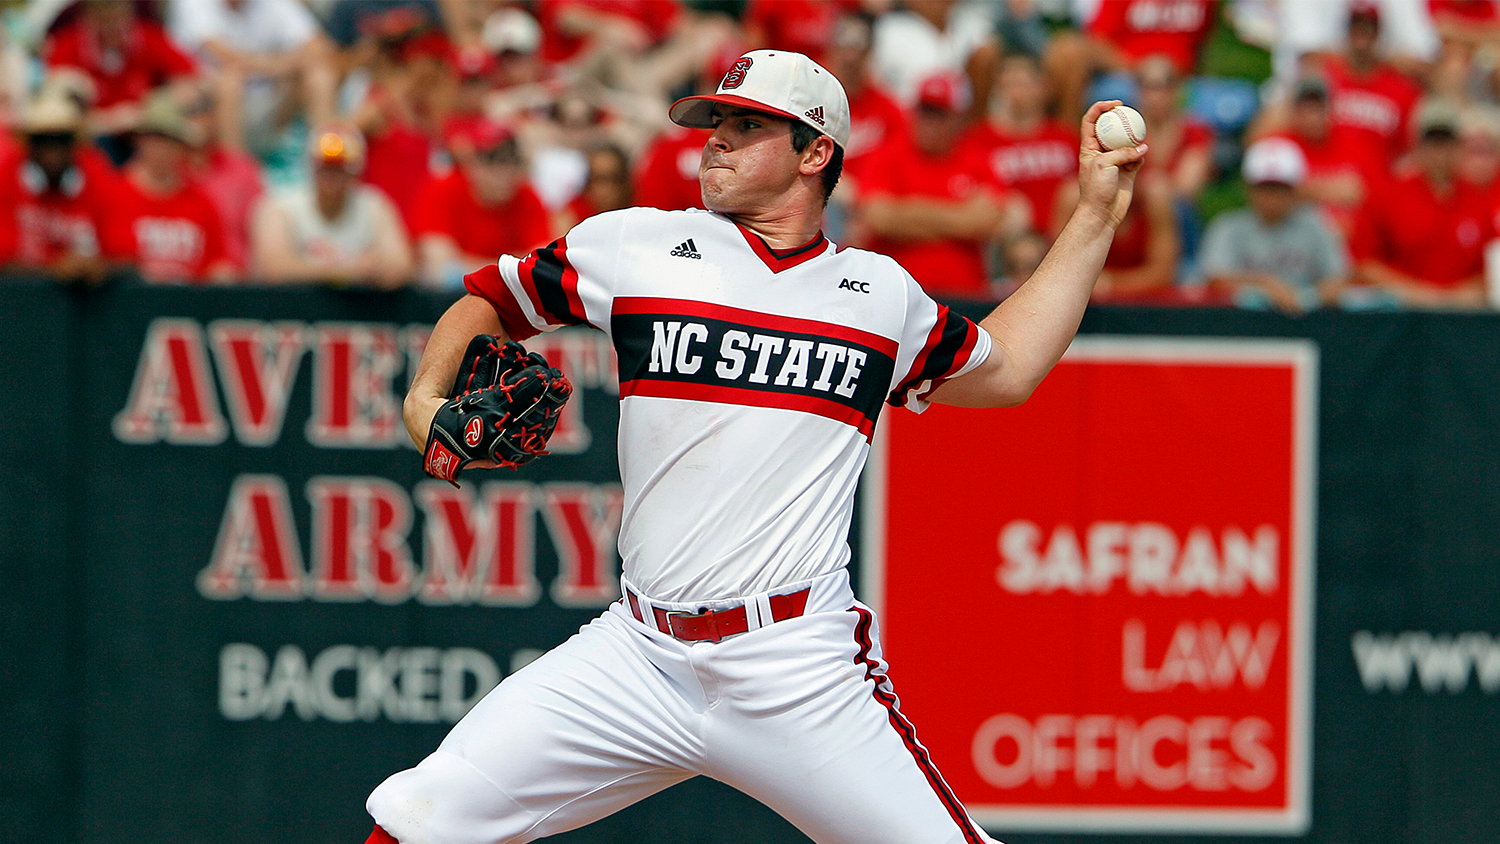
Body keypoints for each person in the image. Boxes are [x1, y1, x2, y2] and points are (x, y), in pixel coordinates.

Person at [364, 49, 1146, 844]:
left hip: (794, 664)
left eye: (747, 125)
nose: (717, 141)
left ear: (816, 154)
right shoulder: (636, 247)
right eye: (715, 123)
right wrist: (423, 400)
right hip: (637, 654)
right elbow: (490, 299)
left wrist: (1093, 218)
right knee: (422, 815)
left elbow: (1007, 369)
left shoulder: (878, 295)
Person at [856, 71, 1026, 299]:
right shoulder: (887, 155)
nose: (929, 121)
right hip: (894, 295)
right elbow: (879, 219)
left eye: (939, 113)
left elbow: (984, 222)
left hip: (964, 298)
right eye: (925, 110)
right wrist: (959, 217)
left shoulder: (979, 160)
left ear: (959, 118)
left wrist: (907, 211)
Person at [1350, 100, 1493, 308]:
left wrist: (1465, 292)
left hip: (1462, 314)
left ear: (1458, 146)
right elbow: (1363, 262)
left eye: (1446, 142)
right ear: (1417, 145)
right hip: (1403, 316)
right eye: (1433, 142)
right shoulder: (1388, 195)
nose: (1439, 152)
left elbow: (1491, 263)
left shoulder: (1479, 199)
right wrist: (1415, 293)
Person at [1197, 137, 1350, 314]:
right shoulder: (1228, 227)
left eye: (1279, 187)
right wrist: (1265, 286)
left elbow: (1337, 279)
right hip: (1241, 330)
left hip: (1303, 326)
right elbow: (1215, 279)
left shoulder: (1315, 225)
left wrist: (1306, 298)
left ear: (1294, 190)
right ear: (1248, 189)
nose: (1271, 197)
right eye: (1264, 187)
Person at [249, 126, 413, 288]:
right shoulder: (281, 206)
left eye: (340, 168)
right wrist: (350, 270)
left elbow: (399, 267)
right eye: (325, 167)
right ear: (311, 167)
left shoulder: (374, 206)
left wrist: (308, 269)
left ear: (356, 171)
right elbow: (274, 268)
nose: (331, 177)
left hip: (355, 311)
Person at [0, 91, 129, 283]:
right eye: (43, 140)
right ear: (29, 146)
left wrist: (96, 267)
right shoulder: (7, 176)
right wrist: (53, 267)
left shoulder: (98, 174)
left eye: (62, 140)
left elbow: (123, 252)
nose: (53, 150)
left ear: (75, 144)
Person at [412, 119, 552, 289]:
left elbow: (543, 267)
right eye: (491, 160)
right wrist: (514, 267)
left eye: (512, 161)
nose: (503, 172)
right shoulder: (443, 188)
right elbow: (439, 270)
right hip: (448, 300)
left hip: (506, 298)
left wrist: (466, 265)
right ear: (470, 162)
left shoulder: (527, 195)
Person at [114, 90, 235, 284]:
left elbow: (218, 265)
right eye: (155, 136)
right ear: (139, 140)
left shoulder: (201, 203)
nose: (162, 147)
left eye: (170, 139)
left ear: (182, 146)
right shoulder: (113, 194)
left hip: (186, 306)